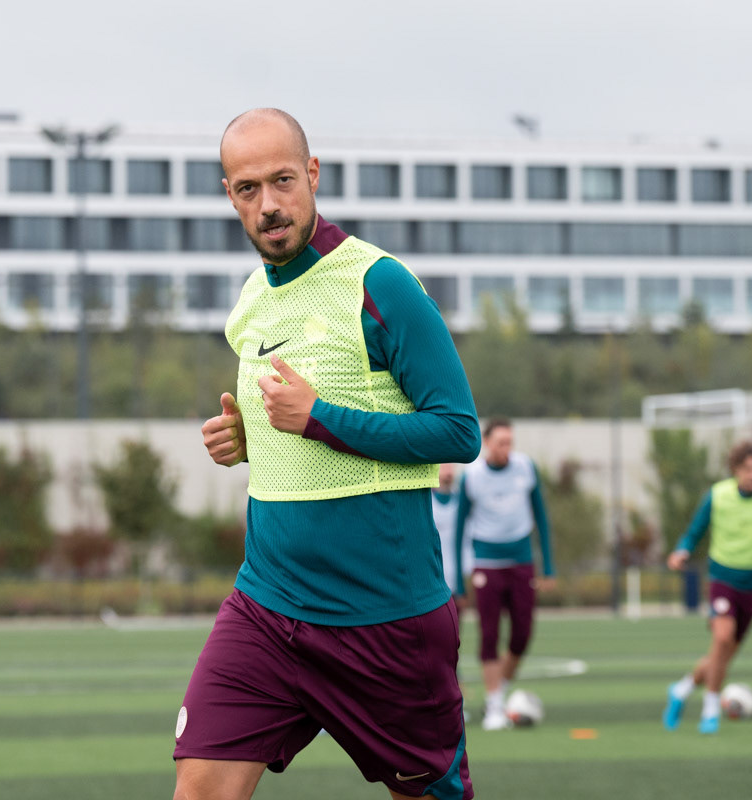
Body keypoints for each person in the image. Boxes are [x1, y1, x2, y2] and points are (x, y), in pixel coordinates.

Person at [175, 108, 481, 800]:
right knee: (199, 789)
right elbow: (292, 433)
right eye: (248, 188)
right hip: (267, 605)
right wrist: (247, 442)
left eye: (282, 180)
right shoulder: (251, 300)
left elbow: (457, 431)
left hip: (384, 619)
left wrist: (320, 419)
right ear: (230, 195)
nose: (268, 204)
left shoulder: (380, 282)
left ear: (312, 174)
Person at [663, 440, 752, 735]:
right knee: (722, 638)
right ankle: (710, 709)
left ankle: (681, 690)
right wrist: (682, 550)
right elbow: (694, 531)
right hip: (723, 579)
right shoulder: (718, 495)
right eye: (747, 469)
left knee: (724, 654)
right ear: (735, 469)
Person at [452, 417, 554, 731]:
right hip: (486, 562)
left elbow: (541, 517)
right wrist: (459, 582)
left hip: (521, 561)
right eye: (500, 443)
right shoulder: (472, 476)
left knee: (522, 634)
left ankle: (501, 689)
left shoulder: (526, 468)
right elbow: (459, 529)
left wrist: (548, 566)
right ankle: (495, 704)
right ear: (486, 443)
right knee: (490, 634)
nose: (506, 448)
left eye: (510, 442)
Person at [433, 464, 471, 600]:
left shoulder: (462, 499)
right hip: (435, 574)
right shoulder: (426, 501)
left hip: (460, 572)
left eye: (450, 468)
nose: (448, 472)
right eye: (443, 468)